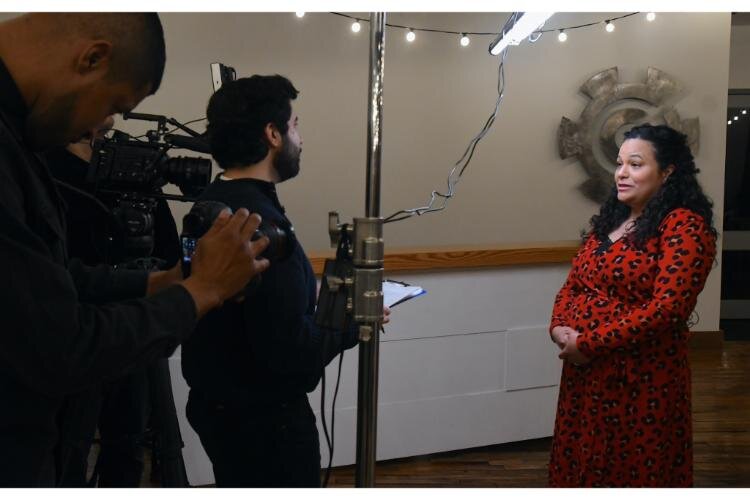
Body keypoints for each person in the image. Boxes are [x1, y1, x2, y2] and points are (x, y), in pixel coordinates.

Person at [0, 13, 270, 486]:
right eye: (113, 105)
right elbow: (62, 347)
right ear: (92, 58)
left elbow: (50, 282)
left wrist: (161, 283)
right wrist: (197, 294)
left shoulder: (16, 139)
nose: (94, 130)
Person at [181, 75, 390, 487]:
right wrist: (354, 322)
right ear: (273, 134)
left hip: (220, 413)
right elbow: (291, 354)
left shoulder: (211, 204)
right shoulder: (259, 225)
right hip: (265, 429)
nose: (300, 138)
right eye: (295, 125)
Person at [548, 124, 718, 487]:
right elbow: (573, 286)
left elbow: (667, 309)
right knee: (582, 461)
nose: (622, 173)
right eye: (620, 163)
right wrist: (559, 327)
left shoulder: (684, 226)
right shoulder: (610, 222)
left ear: (667, 171)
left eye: (636, 164)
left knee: (634, 471)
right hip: (586, 375)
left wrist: (588, 344)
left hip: (641, 378)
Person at [46, 116, 184, 487]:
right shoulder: (41, 164)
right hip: (73, 330)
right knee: (67, 447)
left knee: (128, 440)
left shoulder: (133, 159)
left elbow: (167, 246)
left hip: (131, 325)